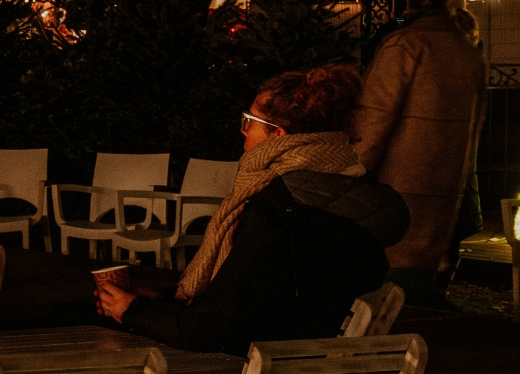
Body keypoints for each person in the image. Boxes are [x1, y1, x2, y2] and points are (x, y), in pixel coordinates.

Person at [95, 66, 410, 355]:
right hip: (305, 357)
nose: (243, 130)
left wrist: (134, 311)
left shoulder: (279, 209)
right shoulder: (355, 190)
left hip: (256, 368)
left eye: (249, 121)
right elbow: (259, 292)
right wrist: (161, 299)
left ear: (277, 134)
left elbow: (213, 328)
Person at [350, 0, 487, 304]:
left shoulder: (404, 46)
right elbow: (476, 124)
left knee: (389, 293)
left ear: (410, 4)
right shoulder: (467, 52)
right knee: (424, 290)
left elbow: (373, 122)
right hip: (445, 192)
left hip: (398, 191)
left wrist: (351, 173)